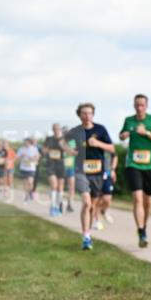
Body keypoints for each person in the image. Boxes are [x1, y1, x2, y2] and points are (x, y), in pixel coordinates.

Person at [65, 103, 114, 250]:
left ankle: (88, 234)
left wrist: (98, 143)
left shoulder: (100, 129)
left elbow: (111, 148)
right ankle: (86, 237)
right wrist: (70, 150)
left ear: (93, 115)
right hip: (81, 171)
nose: (87, 116)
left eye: (89, 113)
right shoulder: (75, 132)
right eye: (84, 113)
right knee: (86, 202)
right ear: (79, 115)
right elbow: (62, 142)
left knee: (92, 206)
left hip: (98, 172)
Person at [119, 94, 151, 247]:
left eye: (142, 105)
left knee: (148, 201)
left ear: (146, 106)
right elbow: (121, 136)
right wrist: (124, 134)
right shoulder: (129, 120)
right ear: (134, 106)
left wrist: (146, 132)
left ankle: (144, 226)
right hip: (133, 163)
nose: (139, 108)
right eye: (137, 105)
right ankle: (140, 231)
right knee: (138, 198)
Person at [43, 124, 68, 216]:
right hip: (51, 165)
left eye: (58, 129)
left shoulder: (64, 139)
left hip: (60, 165)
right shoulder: (49, 139)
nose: (56, 130)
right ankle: (53, 207)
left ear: (60, 129)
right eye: (54, 129)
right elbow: (44, 150)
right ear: (52, 130)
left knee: (60, 187)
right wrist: (47, 150)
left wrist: (63, 146)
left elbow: (68, 150)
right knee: (54, 185)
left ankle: (58, 206)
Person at [92, 151, 118, 230]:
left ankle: (103, 211)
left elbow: (115, 156)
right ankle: (97, 221)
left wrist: (113, 170)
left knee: (107, 199)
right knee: (97, 199)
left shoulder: (107, 143)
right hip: (95, 174)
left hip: (107, 174)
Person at [15, 137, 40, 202]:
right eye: (24, 142)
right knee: (25, 183)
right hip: (23, 167)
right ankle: (26, 195)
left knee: (30, 182)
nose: (25, 143)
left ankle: (30, 192)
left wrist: (32, 158)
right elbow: (16, 158)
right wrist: (21, 156)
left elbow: (37, 157)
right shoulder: (21, 149)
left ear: (29, 142)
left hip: (31, 168)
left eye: (26, 142)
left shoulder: (34, 149)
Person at [63, 128, 77, 213]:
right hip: (61, 166)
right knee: (60, 185)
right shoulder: (59, 142)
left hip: (71, 166)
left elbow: (75, 152)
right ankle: (58, 202)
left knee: (71, 186)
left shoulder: (72, 142)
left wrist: (68, 149)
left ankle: (69, 204)